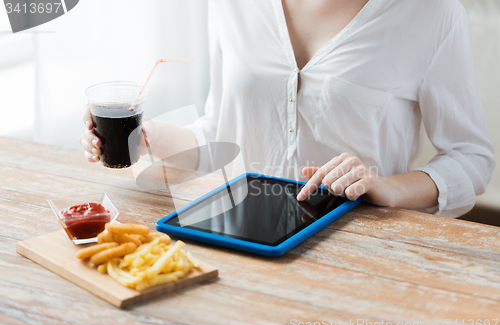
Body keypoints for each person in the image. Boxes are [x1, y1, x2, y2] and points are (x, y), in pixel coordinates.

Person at [81, 0, 495, 218]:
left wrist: (388, 187)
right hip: (242, 233)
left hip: (360, 245)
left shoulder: (431, 12)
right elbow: (223, 131)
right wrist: (145, 135)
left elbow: (472, 159)